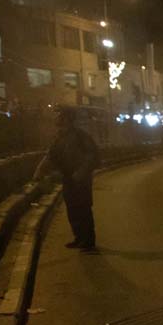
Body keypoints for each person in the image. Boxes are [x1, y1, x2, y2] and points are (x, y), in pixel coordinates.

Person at [34, 107, 100, 252]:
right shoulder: (60, 137)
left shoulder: (79, 136)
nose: (56, 118)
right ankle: (79, 238)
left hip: (80, 179)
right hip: (68, 177)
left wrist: (81, 173)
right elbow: (51, 156)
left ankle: (88, 241)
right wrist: (39, 171)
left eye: (59, 116)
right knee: (72, 209)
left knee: (83, 209)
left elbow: (92, 156)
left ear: (67, 119)